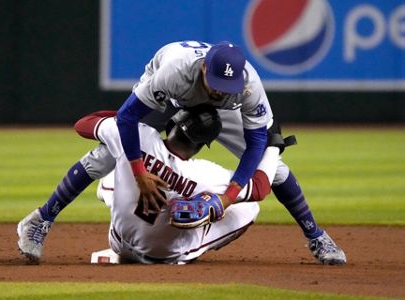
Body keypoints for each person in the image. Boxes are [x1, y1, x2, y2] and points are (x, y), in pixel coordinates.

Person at [18, 40, 346, 265]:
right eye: (216, 81)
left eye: (227, 86)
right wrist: (138, 171)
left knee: (274, 169)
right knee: (108, 152)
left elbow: (259, 141)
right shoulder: (175, 71)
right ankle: (41, 219)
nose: (220, 90)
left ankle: (317, 237)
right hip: (172, 98)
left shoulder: (247, 86)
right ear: (204, 68)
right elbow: (128, 117)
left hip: (219, 112)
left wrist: (229, 196)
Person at [17, 105, 279, 264]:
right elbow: (260, 188)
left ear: (172, 123)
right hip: (163, 256)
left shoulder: (139, 136)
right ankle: (198, 225)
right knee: (248, 208)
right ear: (201, 145)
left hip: (118, 239)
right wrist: (273, 147)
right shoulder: (207, 174)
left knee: (113, 152)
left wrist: (127, 120)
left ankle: (46, 216)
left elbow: (83, 125)